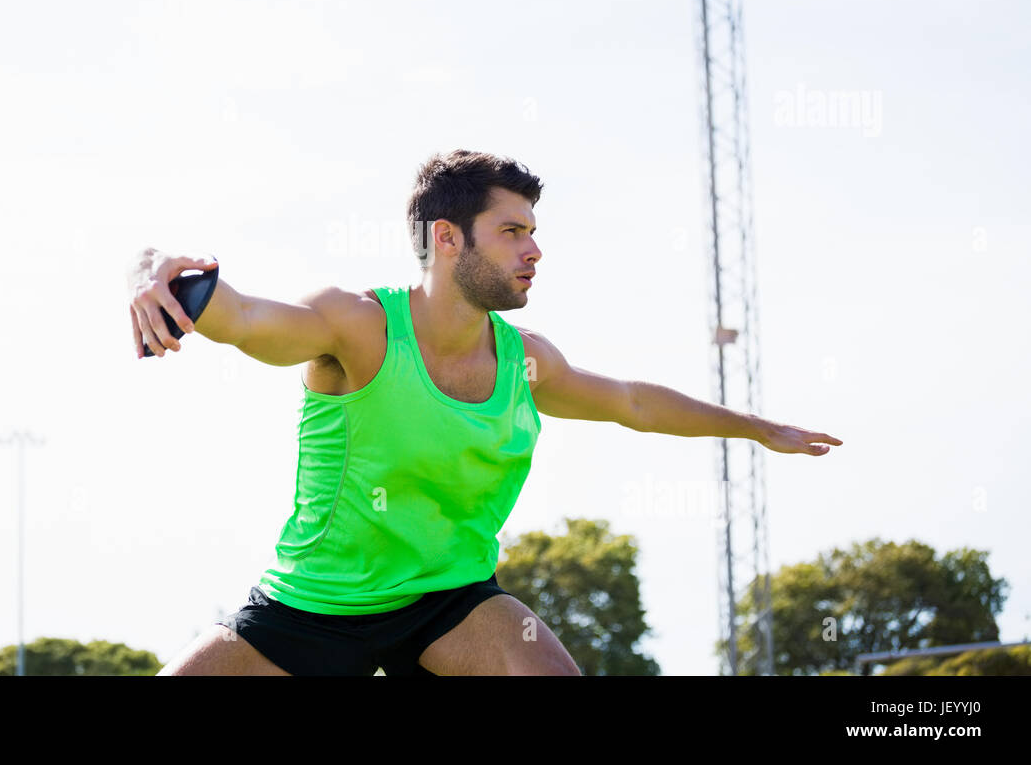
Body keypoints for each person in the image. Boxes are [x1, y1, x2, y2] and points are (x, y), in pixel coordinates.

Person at [127, 150, 842, 675]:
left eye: (532, 231)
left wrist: (756, 428)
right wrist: (155, 265)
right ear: (447, 237)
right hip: (311, 607)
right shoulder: (357, 326)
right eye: (512, 231)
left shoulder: (527, 362)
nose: (534, 250)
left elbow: (631, 402)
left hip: (448, 602)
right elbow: (247, 317)